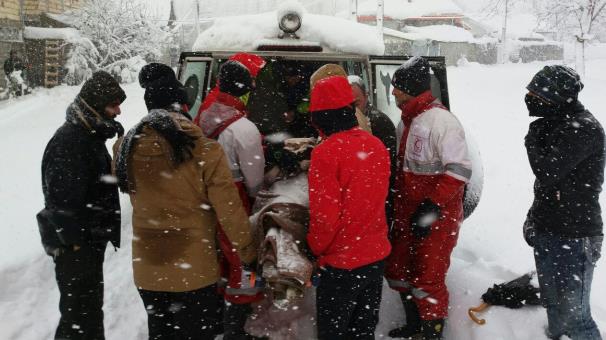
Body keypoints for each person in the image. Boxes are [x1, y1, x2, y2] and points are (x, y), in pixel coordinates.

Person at [113, 63, 257, 340]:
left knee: (160, 332)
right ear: (183, 105)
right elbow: (230, 212)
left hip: (148, 269)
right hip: (195, 270)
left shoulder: (124, 148)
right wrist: (248, 253)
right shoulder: (204, 150)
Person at [384, 57, 472, 340]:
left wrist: (431, 206)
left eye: (398, 87)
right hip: (408, 214)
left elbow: (459, 170)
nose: (394, 92)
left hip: (437, 218)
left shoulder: (441, 121)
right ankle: (413, 327)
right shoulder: (408, 121)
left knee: (427, 279)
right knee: (400, 272)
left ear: (411, 87)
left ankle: (432, 334)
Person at [38, 70, 126, 340]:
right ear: (96, 106)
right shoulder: (71, 141)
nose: (119, 111)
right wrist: (76, 245)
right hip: (76, 248)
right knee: (79, 315)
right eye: (113, 105)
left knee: (85, 312)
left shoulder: (89, 136)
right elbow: (61, 202)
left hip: (85, 243)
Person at [307, 75, 392, 340]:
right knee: (363, 330)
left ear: (321, 117)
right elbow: (379, 200)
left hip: (341, 265)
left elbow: (324, 218)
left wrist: (314, 249)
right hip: (375, 258)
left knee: (333, 332)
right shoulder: (376, 145)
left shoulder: (325, 153)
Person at [523, 65, 604, 340]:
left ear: (558, 98)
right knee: (555, 310)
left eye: (537, 94)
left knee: (575, 320)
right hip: (549, 230)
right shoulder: (555, 122)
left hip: (575, 236)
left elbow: (546, 171)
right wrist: (533, 217)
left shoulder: (584, 129)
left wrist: (531, 138)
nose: (530, 98)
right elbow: (547, 187)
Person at [198, 60, 266, 340]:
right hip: (234, 200)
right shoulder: (243, 128)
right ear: (244, 90)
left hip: (204, 200)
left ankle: (216, 318)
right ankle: (237, 326)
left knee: (217, 256)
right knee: (245, 260)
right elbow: (254, 179)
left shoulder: (202, 118)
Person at [348, 75, 397, 226]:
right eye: (348, 104)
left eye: (356, 103)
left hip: (378, 199)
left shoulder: (379, 123)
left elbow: (387, 166)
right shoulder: (347, 120)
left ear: (366, 96)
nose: (352, 109)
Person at [193, 52, 266, 126]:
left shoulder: (230, 96)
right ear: (239, 78)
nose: (254, 84)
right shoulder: (216, 102)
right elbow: (214, 132)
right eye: (252, 79)